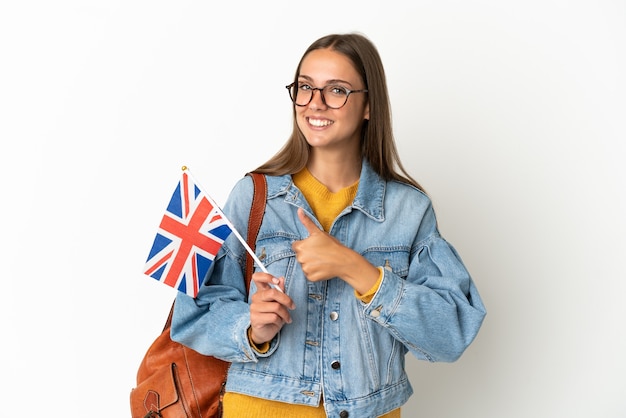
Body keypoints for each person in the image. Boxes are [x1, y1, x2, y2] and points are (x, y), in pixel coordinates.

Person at [171, 32, 486, 418]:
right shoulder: (254, 196)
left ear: (368, 105)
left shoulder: (409, 210)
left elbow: (450, 333)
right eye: (305, 87)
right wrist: (251, 329)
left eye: (336, 90)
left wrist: (358, 271)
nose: (315, 103)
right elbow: (192, 315)